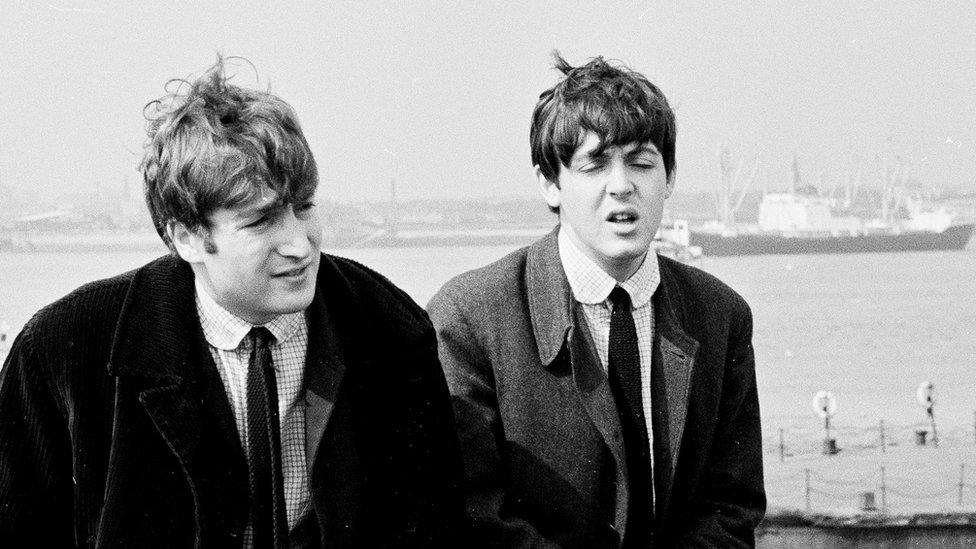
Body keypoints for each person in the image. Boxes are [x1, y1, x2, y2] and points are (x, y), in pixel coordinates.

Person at [0, 58, 463, 548]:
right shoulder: (63, 350)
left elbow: (433, 528)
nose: (300, 246)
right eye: (261, 221)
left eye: (304, 208)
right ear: (187, 239)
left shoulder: (390, 329)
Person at [427, 53, 765, 548]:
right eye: (595, 165)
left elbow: (733, 506)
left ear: (669, 178)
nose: (622, 185)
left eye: (642, 162)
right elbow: (472, 514)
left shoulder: (720, 316)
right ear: (550, 183)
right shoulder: (470, 319)